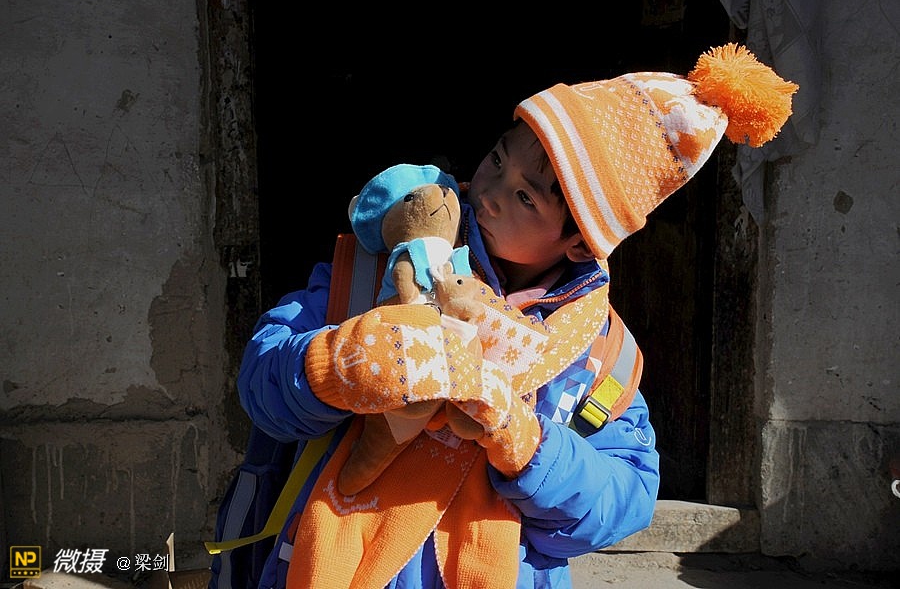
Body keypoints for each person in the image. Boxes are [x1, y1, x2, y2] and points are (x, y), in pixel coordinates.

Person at [211, 43, 797, 589]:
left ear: (579, 244)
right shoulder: (380, 267)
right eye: (497, 159)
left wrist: (528, 445)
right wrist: (343, 363)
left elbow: (627, 496)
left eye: (525, 197)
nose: (488, 192)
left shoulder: (598, 355)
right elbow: (261, 383)